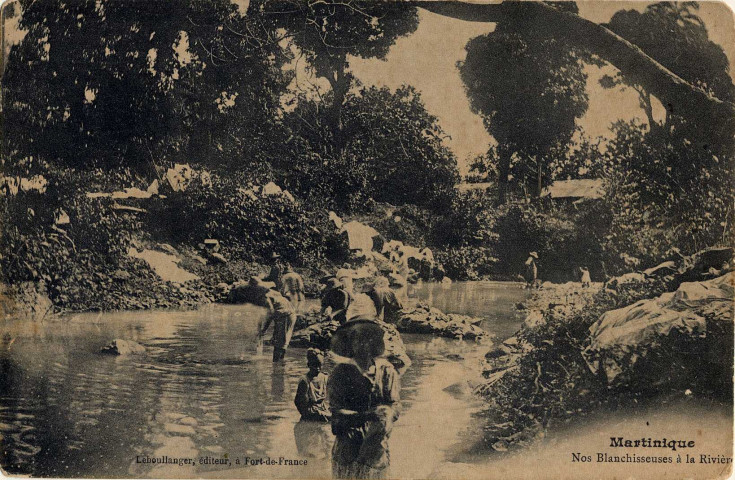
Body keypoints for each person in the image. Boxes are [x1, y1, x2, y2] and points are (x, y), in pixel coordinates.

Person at [328, 318, 401, 479]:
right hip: (347, 450)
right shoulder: (340, 373)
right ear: (350, 344)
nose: (361, 344)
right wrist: (366, 416)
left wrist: (387, 415)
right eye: (356, 339)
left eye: (365, 339)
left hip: (376, 451)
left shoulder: (386, 371)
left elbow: (395, 405)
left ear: (372, 343)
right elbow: (336, 414)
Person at [253, 277, 298, 362]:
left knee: (280, 342)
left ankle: (276, 364)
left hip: (285, 315)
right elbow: (262, 314)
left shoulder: (265, 297)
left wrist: (264, 330)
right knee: (281, 340)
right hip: (289, 314)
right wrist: (260, 329)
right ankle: (280, 364)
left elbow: (270, 313)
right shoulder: (273, 292)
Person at [294, 348, 331, 422]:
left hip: (323, 410)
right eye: (314, 365)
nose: (317, 369)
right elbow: (299, 404)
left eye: (319, 365)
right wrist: (312, 414)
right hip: (311, 413)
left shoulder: (325, 377)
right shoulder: (305, 381)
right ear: (308, 365)